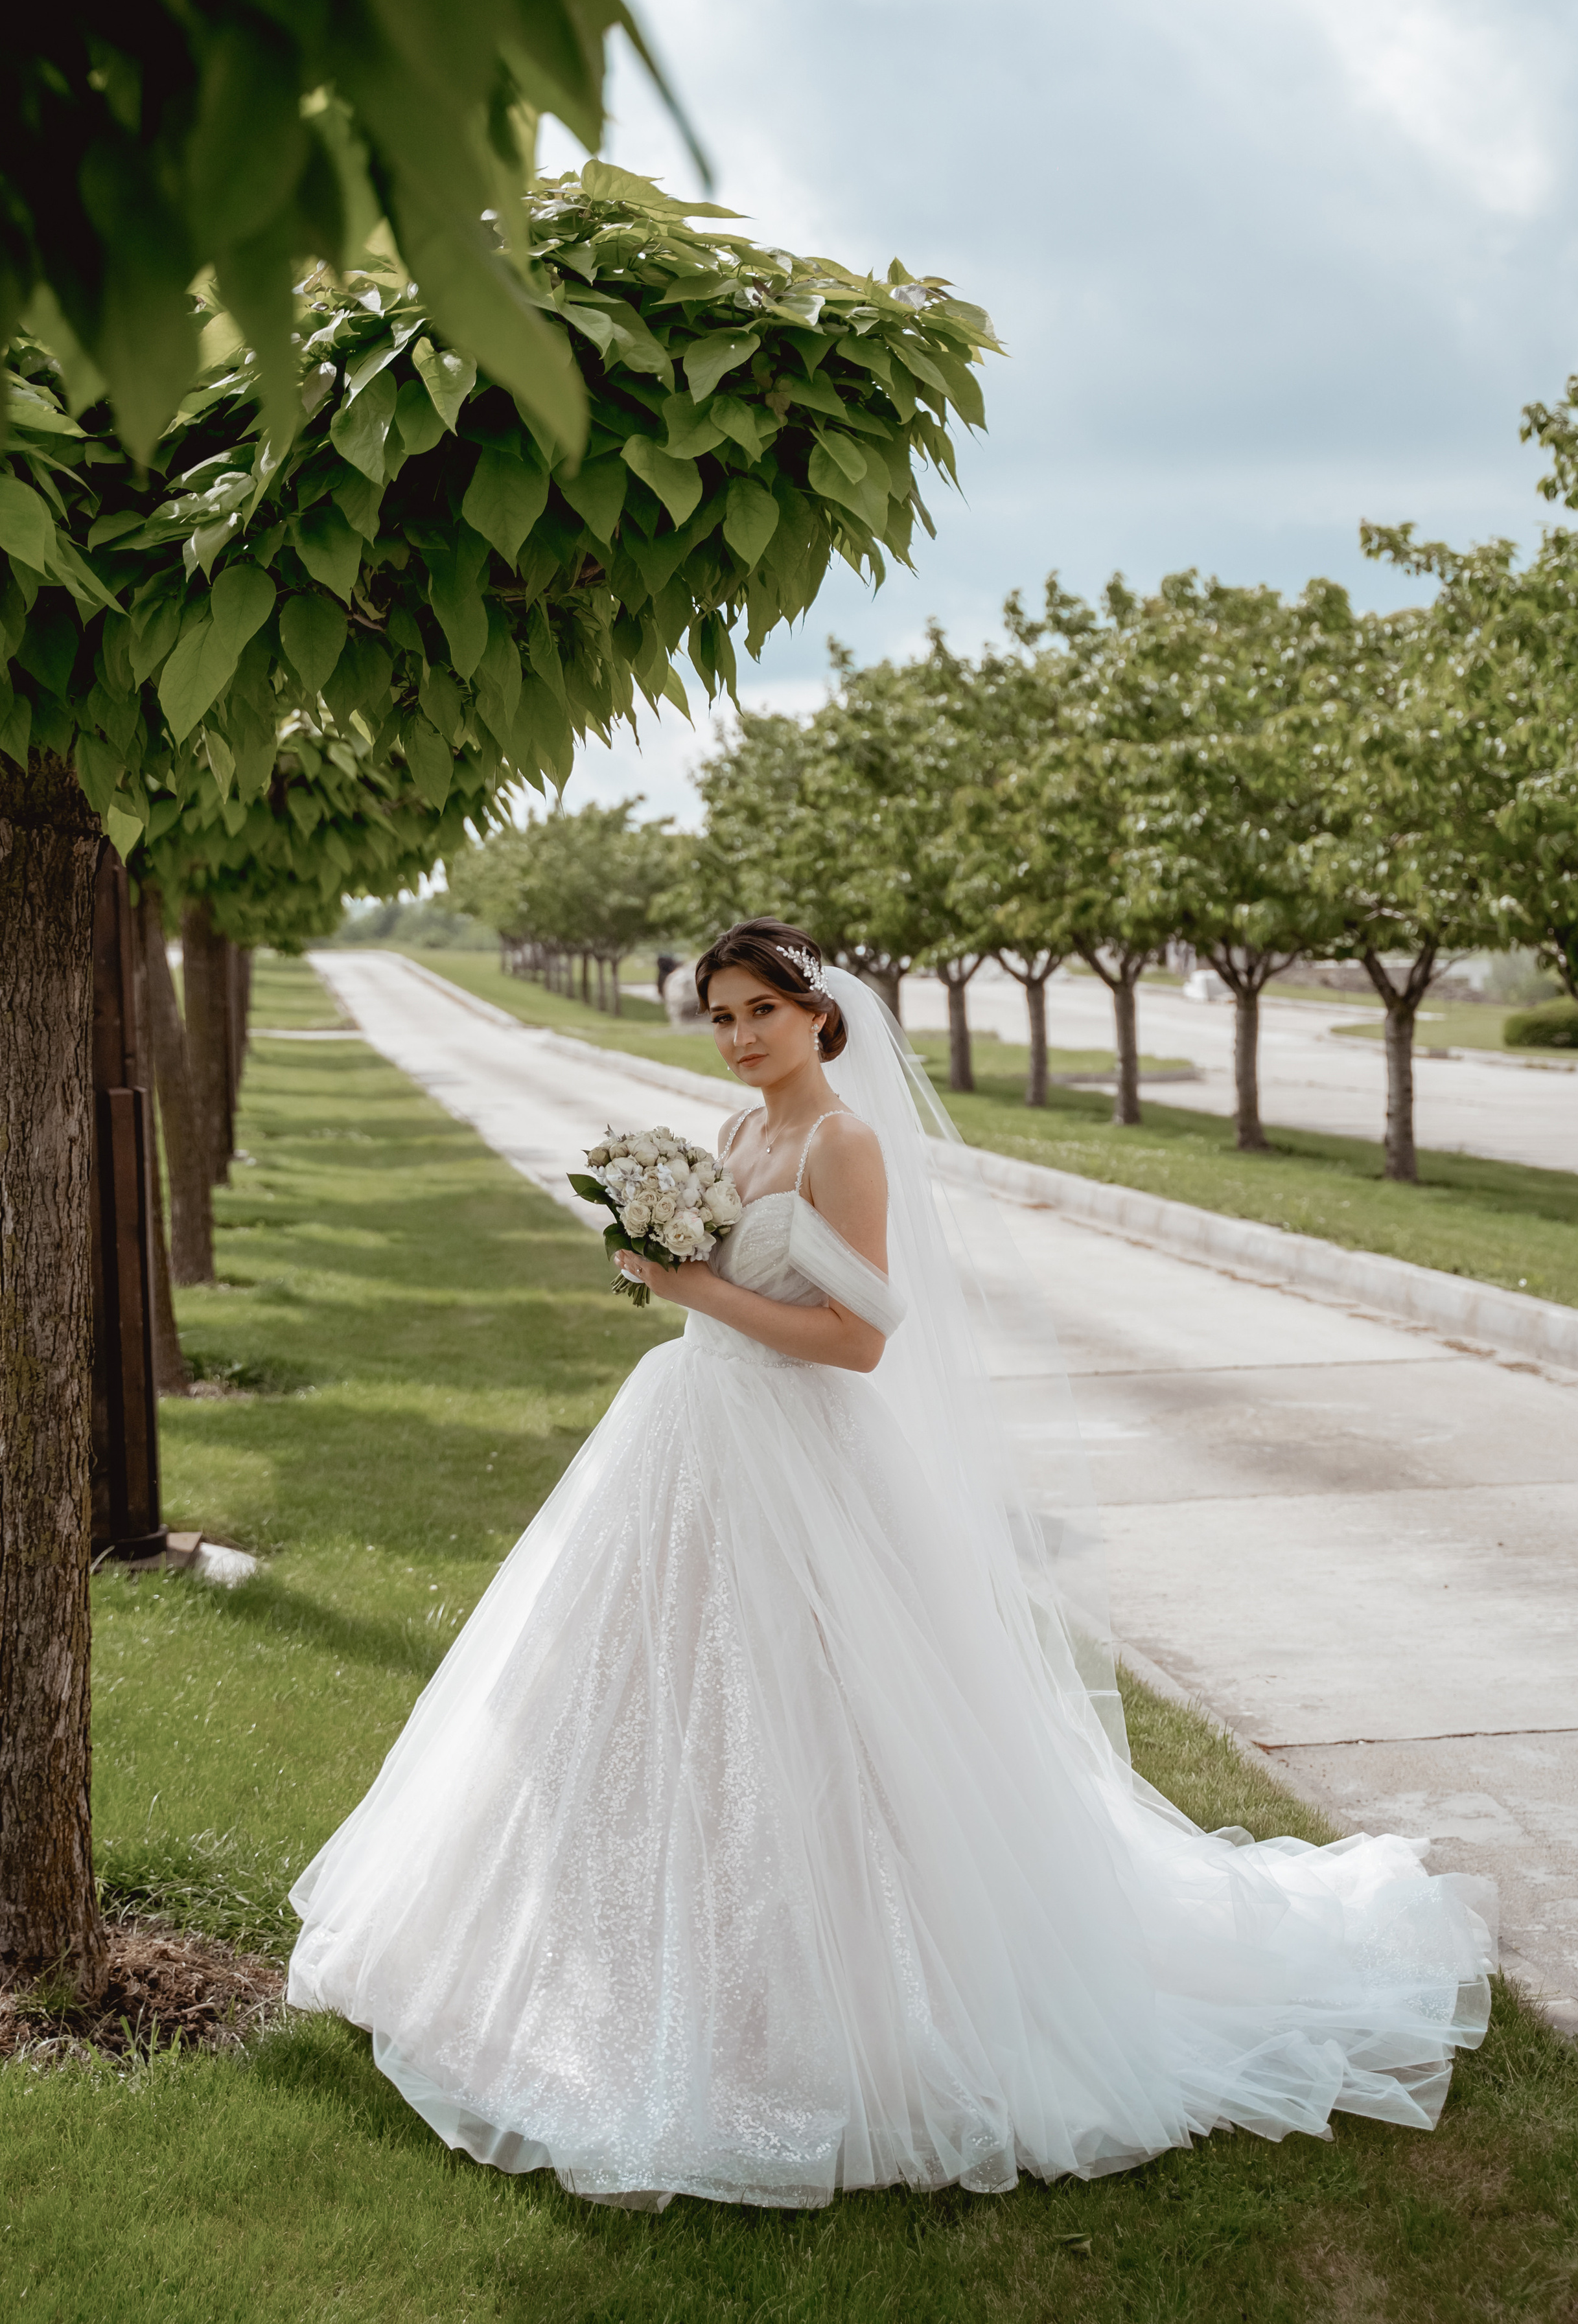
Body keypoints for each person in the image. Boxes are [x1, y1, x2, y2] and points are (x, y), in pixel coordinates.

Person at [287, 917, 1492, 2209]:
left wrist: (690, 1292)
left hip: (798, 1451)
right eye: (721, 1016)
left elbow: (856, 1339)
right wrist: (669, 1271)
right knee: (651, 1704)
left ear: (821, 1016)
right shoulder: (735, 1134)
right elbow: (729, 1275)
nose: (741, 1036)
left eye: (761, 1011)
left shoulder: (841, 1145)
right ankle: (639, 1968)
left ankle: (844, 2005)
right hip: (691, 1433)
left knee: (825, 1716)